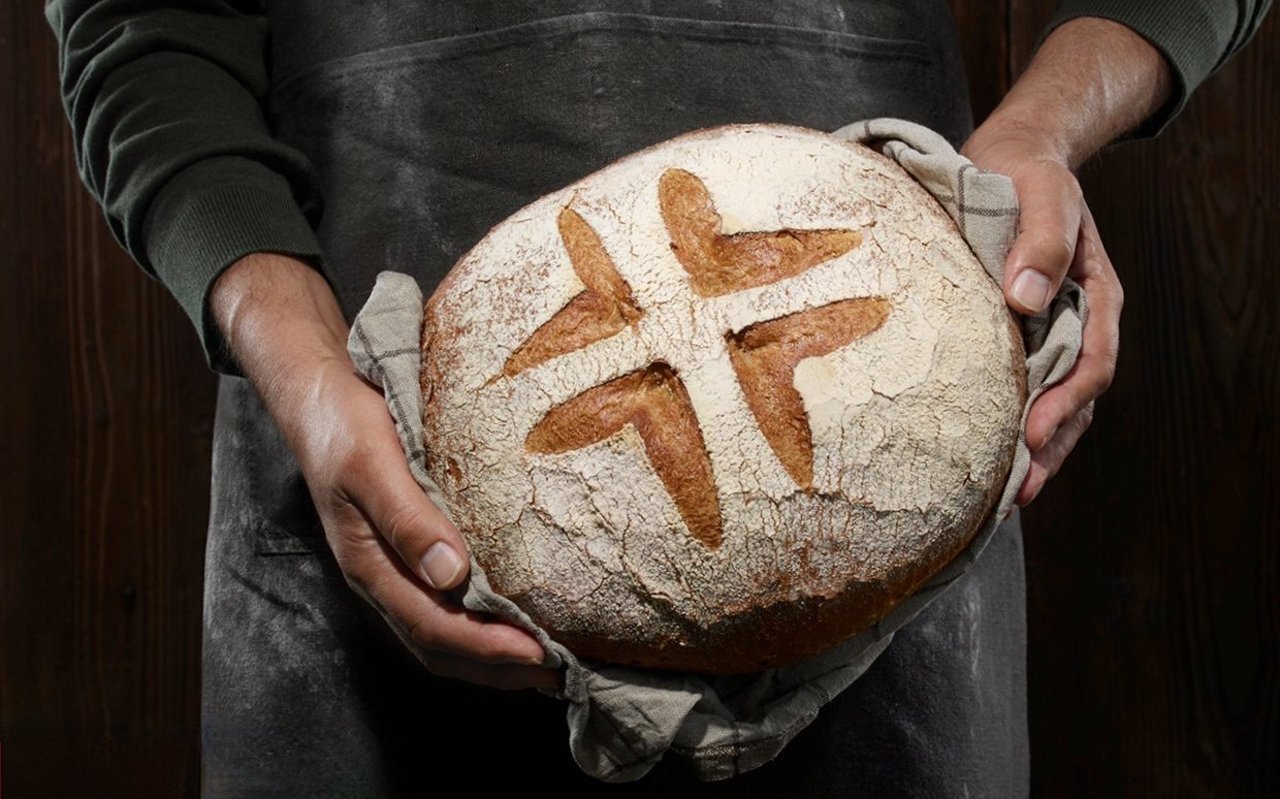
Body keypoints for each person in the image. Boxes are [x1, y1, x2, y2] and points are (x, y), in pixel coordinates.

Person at [47, 1, 1270, 795]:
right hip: (358, 457)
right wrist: (296, 352)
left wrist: (1044, 129)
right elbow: (138, 26)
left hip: (883, 435)